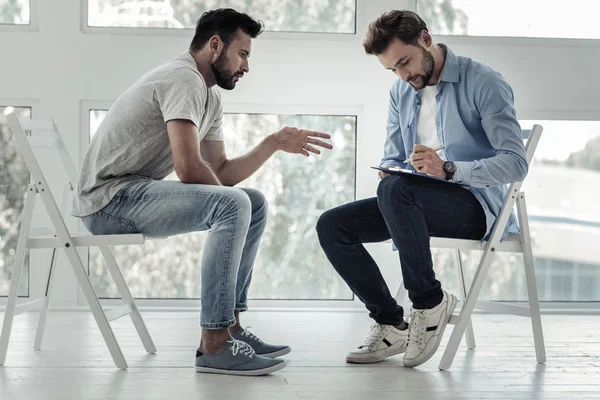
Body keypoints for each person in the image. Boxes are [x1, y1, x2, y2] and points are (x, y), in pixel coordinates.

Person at [70, 8, 332, 376]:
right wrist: (229, 202)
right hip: (107, 200)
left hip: (131, 193)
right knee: (236, 204)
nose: (246, 66)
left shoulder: (210, 97)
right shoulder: (184, 80)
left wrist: (272, 143)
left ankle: (231, 327)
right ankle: (214, 344)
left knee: (252, 202)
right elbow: (189, 168)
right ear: (214, 45)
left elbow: (221, 173)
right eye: (242, 54)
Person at [316, 10, 527, 368]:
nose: (403, 75)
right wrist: (391, 170)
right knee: (333, 226)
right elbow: (394, 155)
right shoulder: (402, 90)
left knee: (398, 191)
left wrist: (448, 169)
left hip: (477, 208)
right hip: (409, 200)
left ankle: (429, 303)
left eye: (404, 62)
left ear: (425, 39)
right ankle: (390, 322)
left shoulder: (484, 82)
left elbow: (515, 163)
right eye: (393, 69)